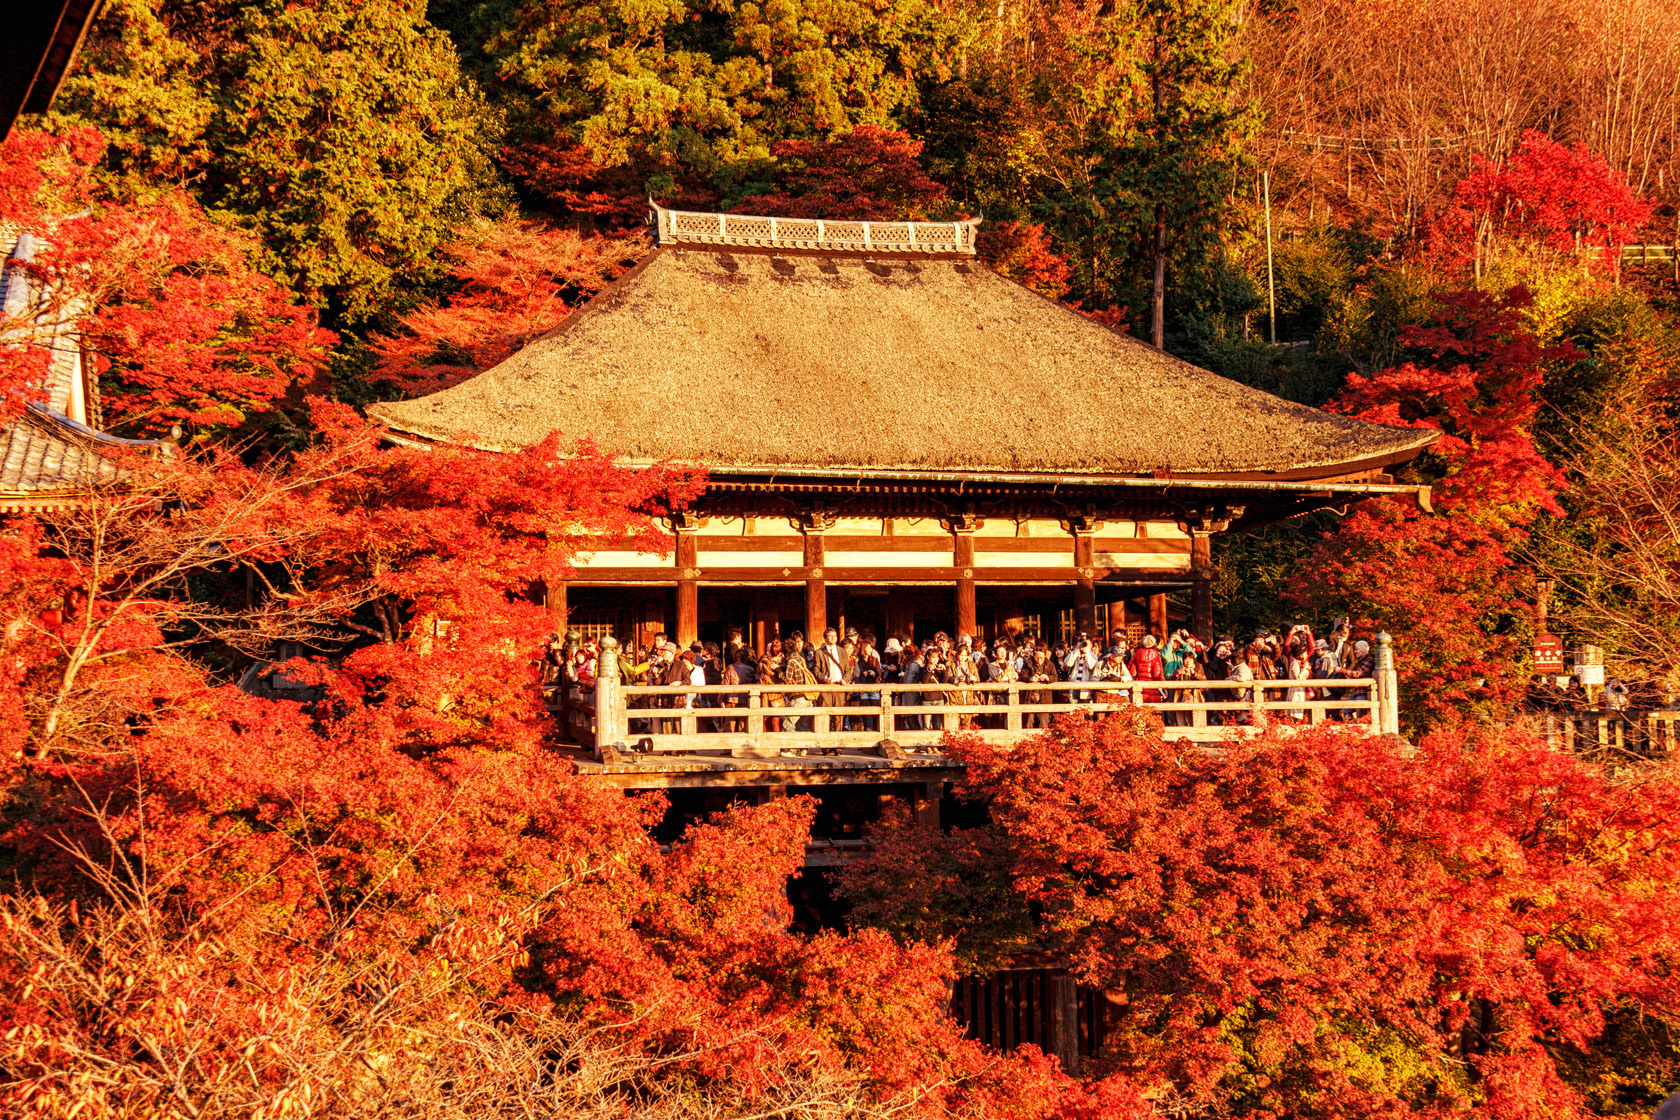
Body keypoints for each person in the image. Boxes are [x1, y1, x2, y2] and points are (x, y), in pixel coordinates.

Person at [814, 626, 852, 733]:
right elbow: (816, 670)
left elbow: (848, 670)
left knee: (838, 716)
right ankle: (826, 746)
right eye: (830, 636)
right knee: (825, 715)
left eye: (834, 636)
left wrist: (845, 679)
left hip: (839, 686)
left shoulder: (842, 651)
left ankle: (837, 746)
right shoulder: (819, 652)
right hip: (826, 686)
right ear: (825, 639)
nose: (833, 638)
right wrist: (824, 678)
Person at [780, 632, 819, 732]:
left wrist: (778, 670)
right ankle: (803, 748)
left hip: (797, 697)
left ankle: (793, 747)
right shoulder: (801, 658)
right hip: (807, 697)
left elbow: (787, 679)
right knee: (803, 726)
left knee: (787, 723)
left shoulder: (791, 661)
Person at [852, 634, 881, 732]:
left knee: (876, 711)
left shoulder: (874, 660)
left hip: (873, 687)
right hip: (863, 688)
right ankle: (866, 730)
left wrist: (874, 674)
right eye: (868, 648)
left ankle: (876, 730)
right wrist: (862, 675)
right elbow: (856, 673)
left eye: (871, 648)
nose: (870, 650)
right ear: (863, 648)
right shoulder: (858, 660)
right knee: (864, 711)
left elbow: (879, 673)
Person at [897, 639, 925, 732]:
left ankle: (917, 736)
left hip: (910, 693)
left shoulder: (913, 665)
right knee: (910, 717)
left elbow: (908, 680)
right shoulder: (915, 663)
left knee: (911, 716)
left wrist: (903, 677)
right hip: (910, 693)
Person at [1065, 635, 1100, 703]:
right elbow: (1068, 664)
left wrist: (1086, 652)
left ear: (1091, 645)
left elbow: (1091, 666)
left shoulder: (1093, 656)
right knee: (1073, 710)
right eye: (1083, 643)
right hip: (1074, 686)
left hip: (1085, 688)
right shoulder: (1073, 653)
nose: (1084, 646)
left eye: (1087, 644)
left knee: (1085, 710)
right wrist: (1076, 651)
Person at [1132, 634, 1166, 704]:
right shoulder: (1155, 655)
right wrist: (1163, 686)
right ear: (1154, 644)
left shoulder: (1137, 654)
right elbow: (1157, 674)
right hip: (1152, 686)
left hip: (1140, 685)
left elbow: (1131, 669)